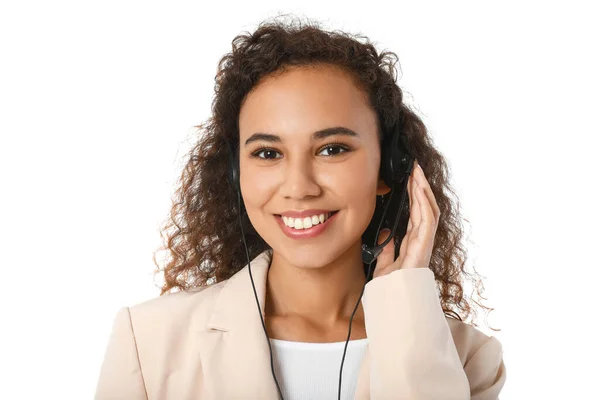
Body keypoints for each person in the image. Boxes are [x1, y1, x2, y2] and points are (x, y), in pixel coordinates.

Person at [95, 16, 506, 400]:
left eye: (332, 149)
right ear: (237, 174)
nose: (298, 187)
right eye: (268, 153)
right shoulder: (148, 343)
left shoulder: (467, 358)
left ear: (390, 167)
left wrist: (405, 303)